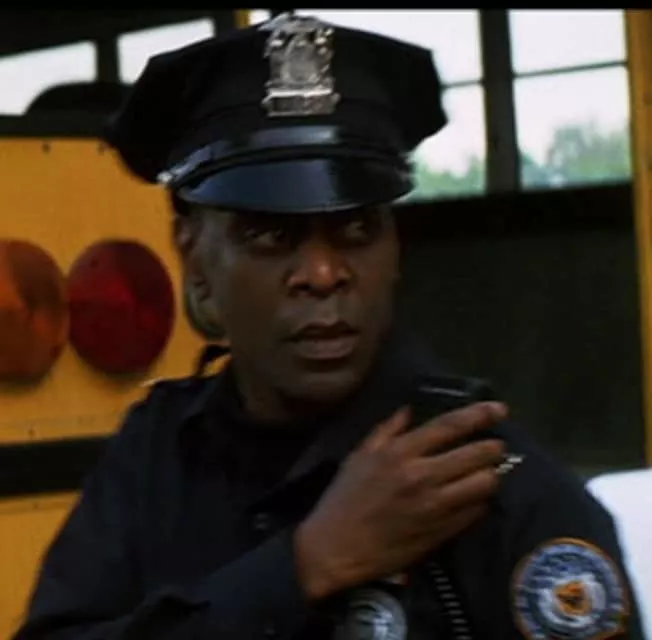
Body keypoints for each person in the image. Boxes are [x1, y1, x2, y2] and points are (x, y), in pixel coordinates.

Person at [13, 12, 644, 640]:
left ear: (394, 250)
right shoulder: (156, 457)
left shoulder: (490, 486)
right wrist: (302, 568)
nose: (321, 273)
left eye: (356, 229)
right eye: (269, 234)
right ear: (194, 257)